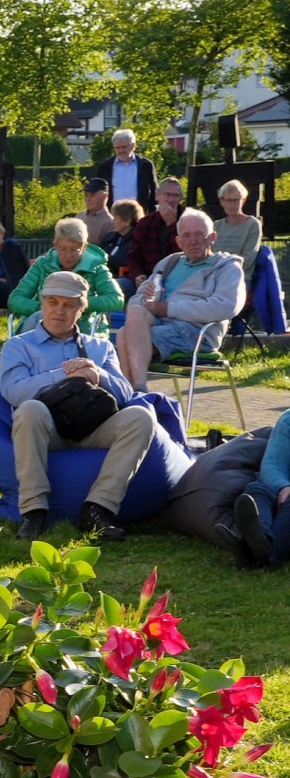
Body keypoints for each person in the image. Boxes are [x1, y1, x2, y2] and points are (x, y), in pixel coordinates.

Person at [0, 268, 161, 542]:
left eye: (68, 304)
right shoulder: (18, 346)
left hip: (92, 427)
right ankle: (34, 511)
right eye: (53, 302)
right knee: (28, 409)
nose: (59, 310)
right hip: (47, 430)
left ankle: (98, 509)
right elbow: (13, 392)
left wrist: (97, 374)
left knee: (141, 417)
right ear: (42, 302)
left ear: (81, 310)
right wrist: (64, 374)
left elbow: (125, 393)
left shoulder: (99, 347)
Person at [115, 207, 246, 387]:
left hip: (197, 333)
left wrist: (168, 308)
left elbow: (226, 306)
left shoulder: (227, 268)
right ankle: (135, 389)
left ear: (212, 238)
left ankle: (135, 389)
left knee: (124, 334)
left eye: (199, 235)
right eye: (186, 236)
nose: (193, 241)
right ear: (178, 241)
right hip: (162, 324)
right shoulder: (169, 262)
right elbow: (138, 300)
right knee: (135, 313)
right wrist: (147, 298)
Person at [6, 217, 123, 334]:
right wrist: (45, 308)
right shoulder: (42, 264)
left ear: (84, 247)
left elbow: (116, 299)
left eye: (74, 249)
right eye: (63, 249)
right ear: (55, 245)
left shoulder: (96, 267)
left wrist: (79, 304)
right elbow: (15, 299)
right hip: (41, 322)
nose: (68, 255)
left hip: (83, 324)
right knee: (41, 319)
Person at [229, 409, 290, 568]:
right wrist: (283, 486)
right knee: (256, 489)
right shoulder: (287, 420)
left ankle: (250, 552)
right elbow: (272, 464)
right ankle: (260, 538)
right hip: (278, 488)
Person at [92, 127, 157, 212]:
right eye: (118, 148)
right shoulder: (105, 167)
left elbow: (154, 193)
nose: (121, 150)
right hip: (112, 215)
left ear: (133, 145)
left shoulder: (146, 165)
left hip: (139, 216)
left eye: (124, 147)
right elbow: (98, 192)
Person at [213, 179, 264, 273]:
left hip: (239, 276)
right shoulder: (216, 226)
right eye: (229, 200)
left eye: (236, 200)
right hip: (214, 275)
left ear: (243, 200)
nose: (232, 205)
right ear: (222, 202)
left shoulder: (253, 225)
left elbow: (248, 259)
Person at [79, 178, 123, 252]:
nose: (88, 199)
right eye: (86, 195)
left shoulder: (110, 223)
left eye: (92, 195)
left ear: (105, 196)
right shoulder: (79, 216)